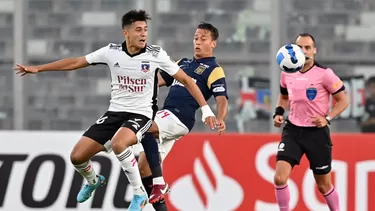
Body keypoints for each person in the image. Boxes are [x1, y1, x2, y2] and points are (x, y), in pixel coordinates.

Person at [13, 10, 217, 211]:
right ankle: (93, 181)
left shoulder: (156, 54)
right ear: (125, 33)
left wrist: (206, 110)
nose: (143, 34)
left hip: (141, 114)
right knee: (77, 156)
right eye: (138, 30)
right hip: (115, 113)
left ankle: (139, 194)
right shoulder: (111, 52)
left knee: (120, 143)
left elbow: (186, 80)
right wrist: (39, 68)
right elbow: (76, 62)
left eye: (145, 29)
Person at [137, 22, 228, 211]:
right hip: (166, 117)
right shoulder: (182, 63)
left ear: (213, 43)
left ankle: (156, 183)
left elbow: (221, 99)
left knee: (143, 127)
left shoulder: (214, 69)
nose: (198, 42)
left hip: (179, 117)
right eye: (196, 38)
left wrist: (221, 117)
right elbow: (160, 81)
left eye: (203, 39)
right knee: (144, 165)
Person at [272, 33, 348, 211]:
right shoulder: (287, 72)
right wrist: (278, 113)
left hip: (316, 133)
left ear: (314, 50)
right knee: (279, 178)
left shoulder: (325, 74)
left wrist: (327, 118)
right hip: (293, 130)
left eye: (308, 48)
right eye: (300, 48)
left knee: (323, 186)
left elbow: (343, 101)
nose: (304, 51)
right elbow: (283, 97)